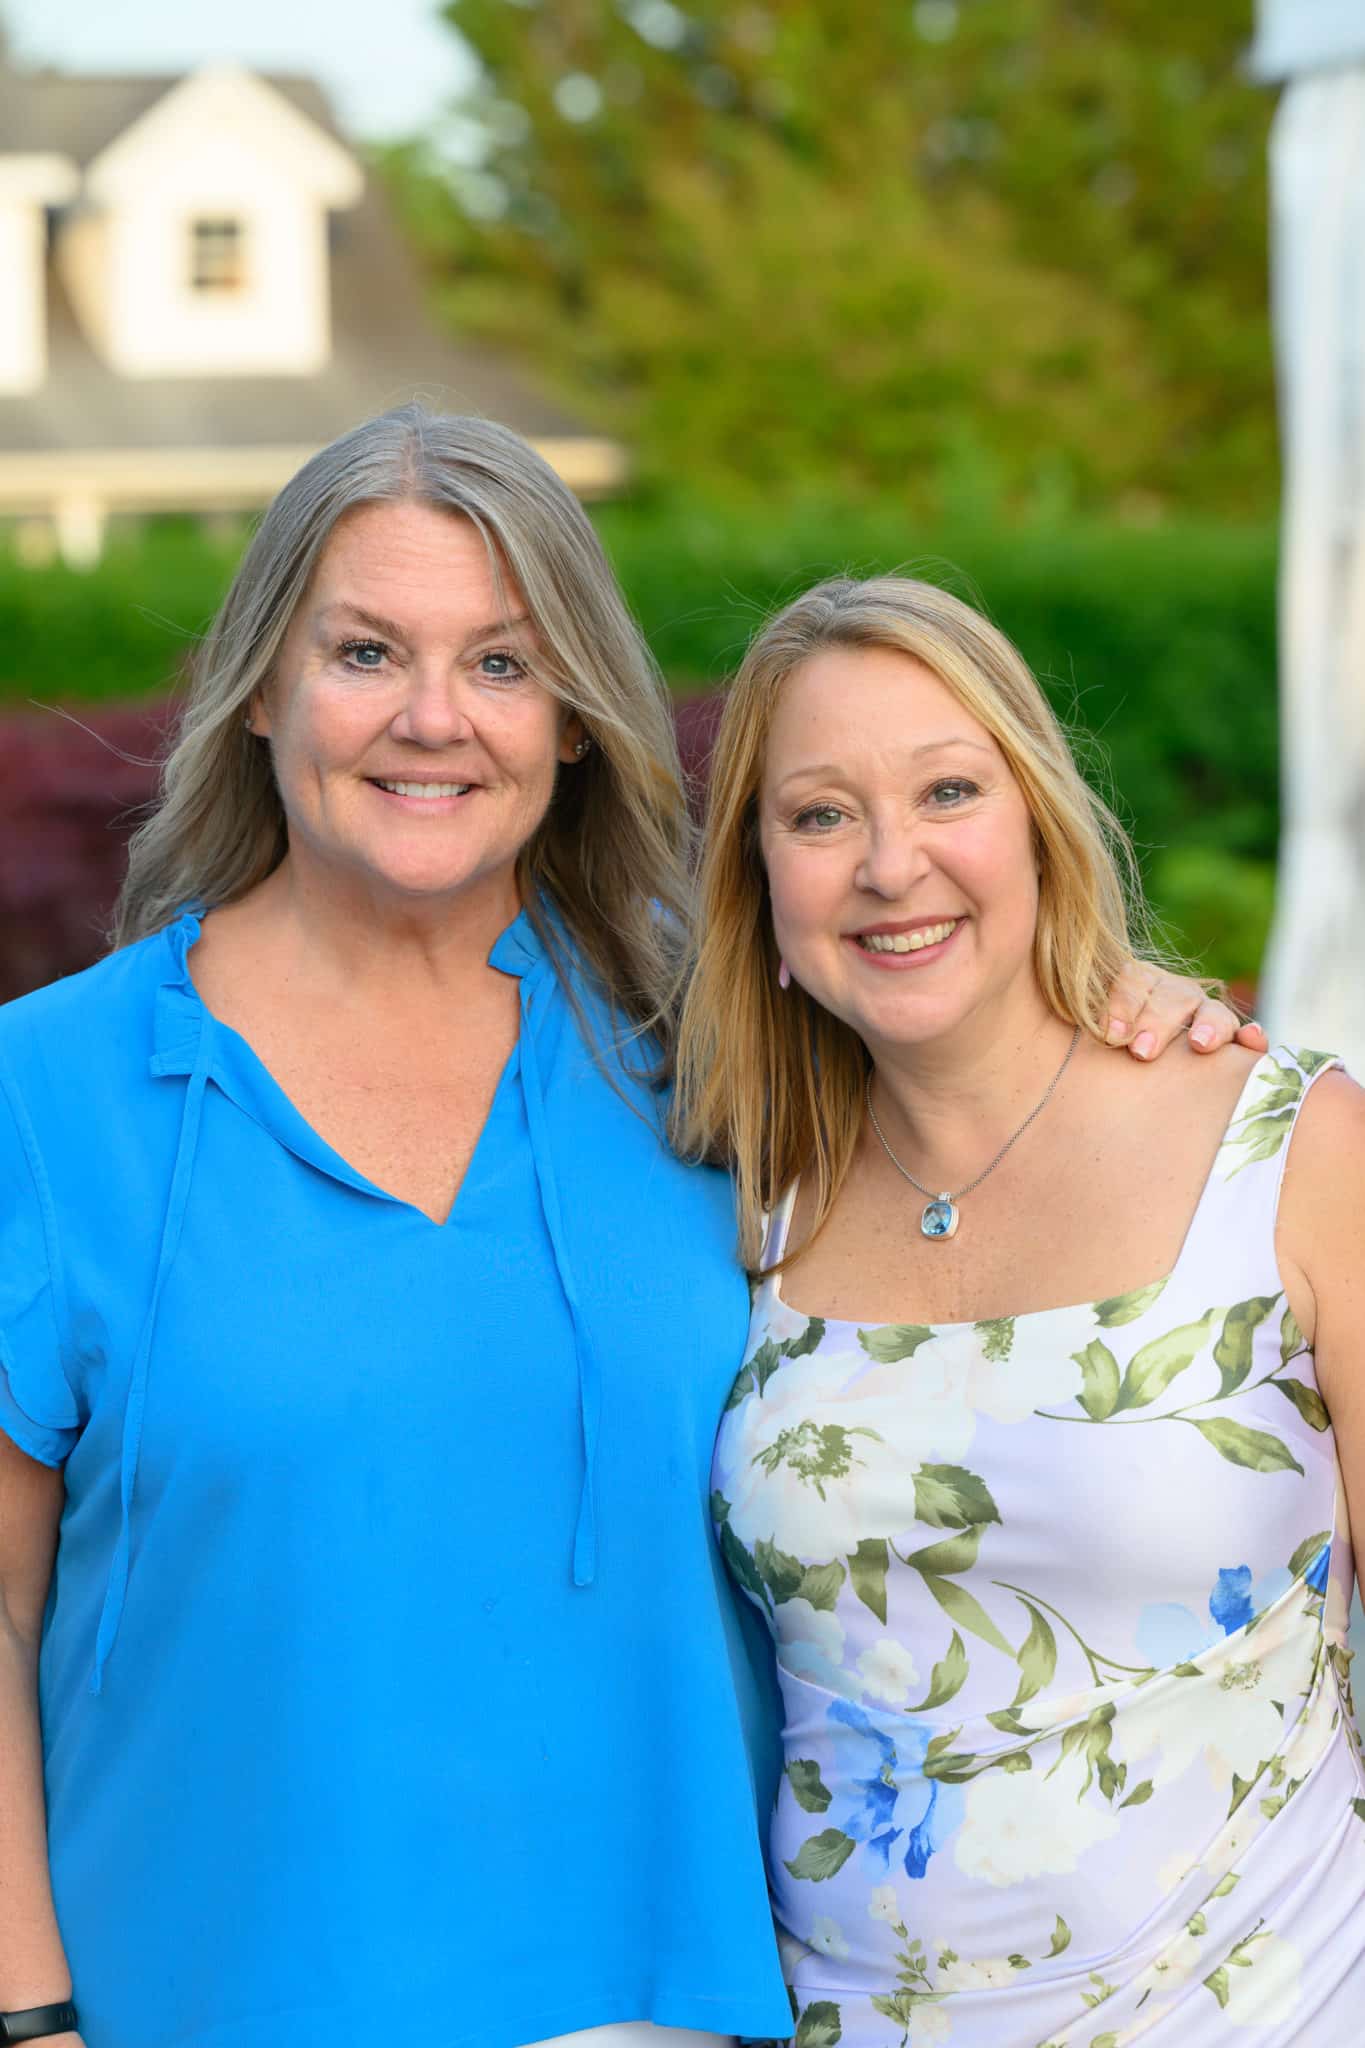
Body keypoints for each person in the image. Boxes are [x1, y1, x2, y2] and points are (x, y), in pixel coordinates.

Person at [0, 409, 1260, 2048]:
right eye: (365, 652)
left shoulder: (715, 1045)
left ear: (576, 716)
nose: (434, 718)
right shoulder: (51, 1094)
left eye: (503, 664)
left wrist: (1118, 1005)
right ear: (259, 689)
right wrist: (29, 2017)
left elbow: (965, 1039)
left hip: (664, 2013)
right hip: (200, 2004)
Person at [680, 573, 1365, 2044]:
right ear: (761, 886)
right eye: (820, 816)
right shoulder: (732, 1202)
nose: (891, 865)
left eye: (948, 791)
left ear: (1039, 823)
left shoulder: (1289, 1149)